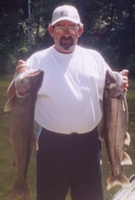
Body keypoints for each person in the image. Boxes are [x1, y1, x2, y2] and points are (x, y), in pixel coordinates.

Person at [14, 4, 129, 200]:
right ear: (51, 30)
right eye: (60, 27)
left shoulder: (94, 58)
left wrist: (122, 81)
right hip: (50, 146)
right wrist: (17, 76)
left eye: (72, 27)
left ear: (80, 30)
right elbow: (15, 92)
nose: (66, 33)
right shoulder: (37, 60)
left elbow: (113, 87)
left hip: (89, 146)